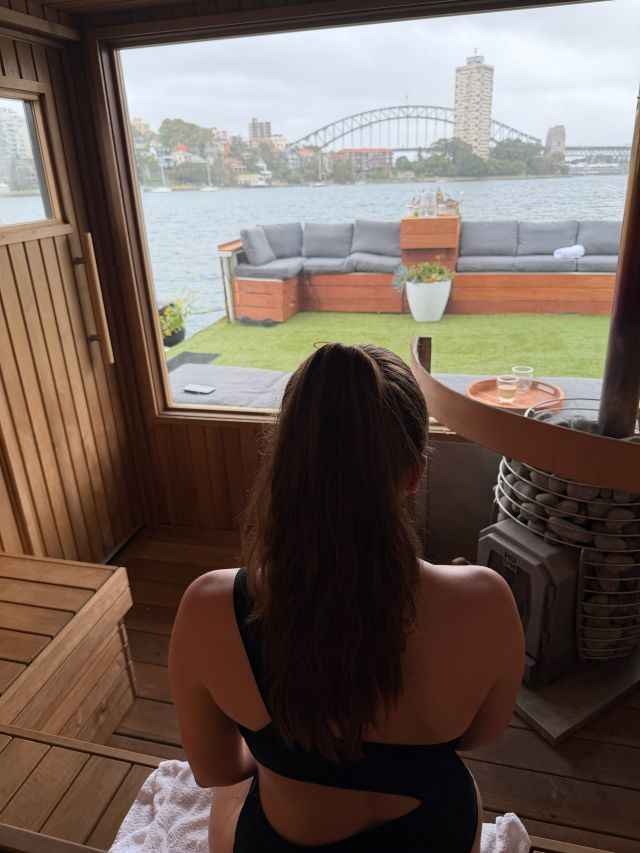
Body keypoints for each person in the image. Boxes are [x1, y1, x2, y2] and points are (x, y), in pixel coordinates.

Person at [169, 343, 525, 853]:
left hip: (282, 841)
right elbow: (479, 736)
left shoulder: (208, 605)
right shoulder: (488, 600)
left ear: (285, 465)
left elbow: (215, 769)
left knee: (234, 791)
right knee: (460, 780)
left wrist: (284, 751)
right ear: (415, 473)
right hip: (436, 832)